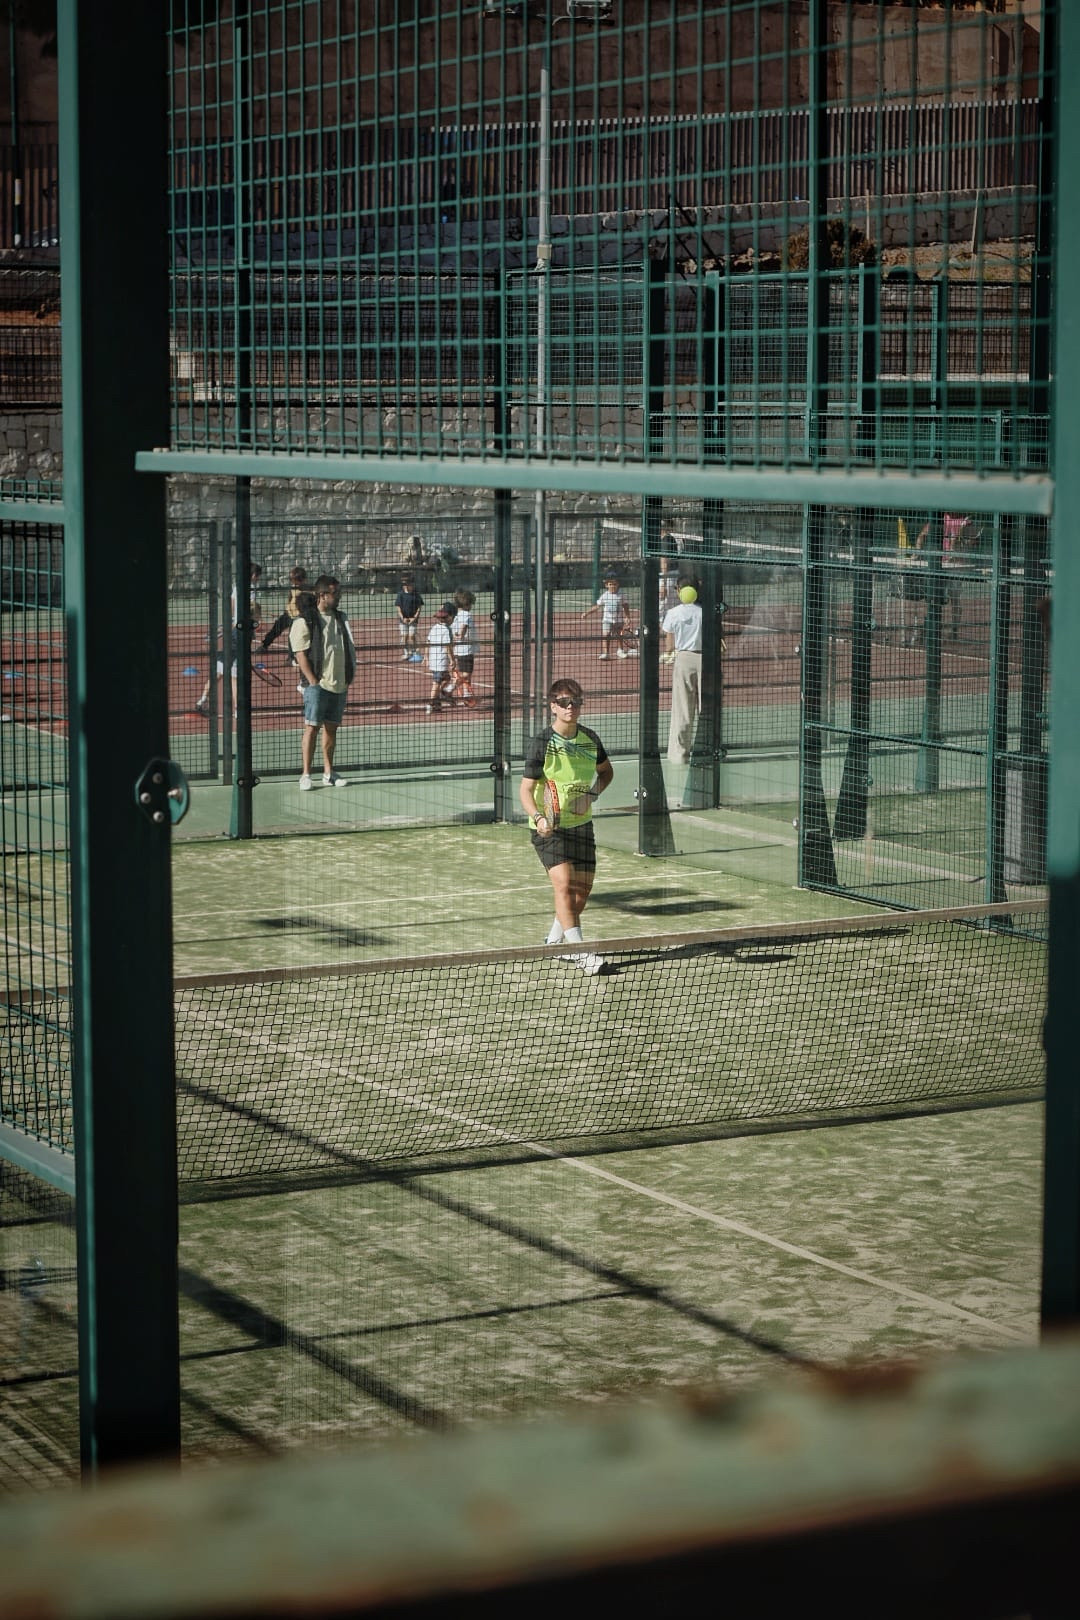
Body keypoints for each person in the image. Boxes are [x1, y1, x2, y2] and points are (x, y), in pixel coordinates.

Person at [519, 677, 614, 974]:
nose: (570, 707)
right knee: (563, 885)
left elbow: (606, 772)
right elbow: (525, 790)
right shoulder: (542, 743)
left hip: (582, 826)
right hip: (550, 828)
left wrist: (591, 795)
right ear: (553, 707)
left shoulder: (590, 739)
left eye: (575, 702)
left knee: (580, 894)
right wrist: (539, 818)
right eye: (563, 702)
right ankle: (581, 952)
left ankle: (554, 942)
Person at [289, 575, 355, 789]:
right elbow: (300, 654)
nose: (339, 596)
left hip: (339, 683)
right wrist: (313, 681)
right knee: (312, 728)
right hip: (317, 685)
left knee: (331, 729)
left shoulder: (341, 618)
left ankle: (329, 773)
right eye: (335, 593)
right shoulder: (305, 620)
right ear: (322, 595)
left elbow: (348, 647)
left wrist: (348, 675)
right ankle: (306, 775)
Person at [195, 562, 262, 714]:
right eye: (258, 576)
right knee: (235, 676)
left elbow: (232, 605)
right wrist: (256, 618)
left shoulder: (238, 586)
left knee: (219, 672)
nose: (258, 579)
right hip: (242, 633)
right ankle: (238, 710)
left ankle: (202, 700)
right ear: (254, 575)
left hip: (235, 631)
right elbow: (252, 610)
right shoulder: (250, 589)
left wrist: (232, 620)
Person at [661, 576, 703, 764]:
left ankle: (679, 756)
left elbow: (669, 645)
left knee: (683, 710)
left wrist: (667, 654)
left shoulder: (672, 613)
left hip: (684, 660)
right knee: (707, 709)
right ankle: (707, 752)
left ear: (679, 590)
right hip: (707, 660)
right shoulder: (705, 612)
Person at [259, 565, 309, 689]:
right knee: (276, 629)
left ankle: (291, 658)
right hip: (288, 614)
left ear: (303, 580)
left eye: (296, 581)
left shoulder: (306, 591)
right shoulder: (293, 588)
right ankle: (264, 645)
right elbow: (290, 599)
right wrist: (287, 609)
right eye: (292, 581)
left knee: (293, 637)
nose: (294, 583)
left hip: (297, 617)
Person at [581, 574, 632, 660]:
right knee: (606, 635)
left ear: (618, 584)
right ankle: (606, 653)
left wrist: (627, 617)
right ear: (606, 585)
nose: (613, 586)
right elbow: (597, 606)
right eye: (610, 584)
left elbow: (625, 606)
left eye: (614, 584)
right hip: (607, 620)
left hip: (618, 620)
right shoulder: (605, 595)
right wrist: (587, 613)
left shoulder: (621, 594)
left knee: (620, 635)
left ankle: (620, 651)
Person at [447, 588, 477, 705]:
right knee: (466, 674)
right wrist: (461, 635)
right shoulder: (466, 614)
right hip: (466, 649)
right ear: (466, 604)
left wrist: (456, 636)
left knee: (466, 673)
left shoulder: (456, 616)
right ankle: (450, 688)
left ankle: (466, 694)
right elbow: (463, 627)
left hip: (459, 650)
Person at [425, 603, 455, 714]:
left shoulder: (434, 628)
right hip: (440, 661)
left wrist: (426, 656)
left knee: (446, 678)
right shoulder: (446, 630)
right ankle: (430, 703)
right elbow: (447, 646)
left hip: (434, 660)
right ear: (448, 618)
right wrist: (452, 660)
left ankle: (438, 702)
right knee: (436, 683)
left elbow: (427, 642)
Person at [395, 572, 424, 662]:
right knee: (405, 636)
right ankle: (406, 653)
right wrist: (403, 618)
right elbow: (398, 607)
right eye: (404, 584)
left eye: (408, 584)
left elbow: (419, 608)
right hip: (403, 620)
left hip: (413, 620)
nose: (406, 586)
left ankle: (415, 652)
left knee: (412, 636)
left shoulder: (416, 594)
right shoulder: (400, 594)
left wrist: (414, 618)